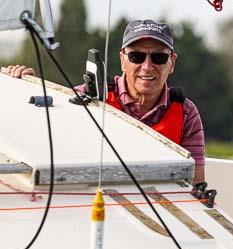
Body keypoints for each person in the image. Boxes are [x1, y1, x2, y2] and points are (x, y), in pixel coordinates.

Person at [1, 20, 206, 184]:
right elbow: (46, 128)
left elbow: (196, 184)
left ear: (172, 63)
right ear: (122, 59)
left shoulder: (186, 112)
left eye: (158, 58)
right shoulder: (91, 97)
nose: (147, 66)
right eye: (136, 56)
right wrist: (27, 87)